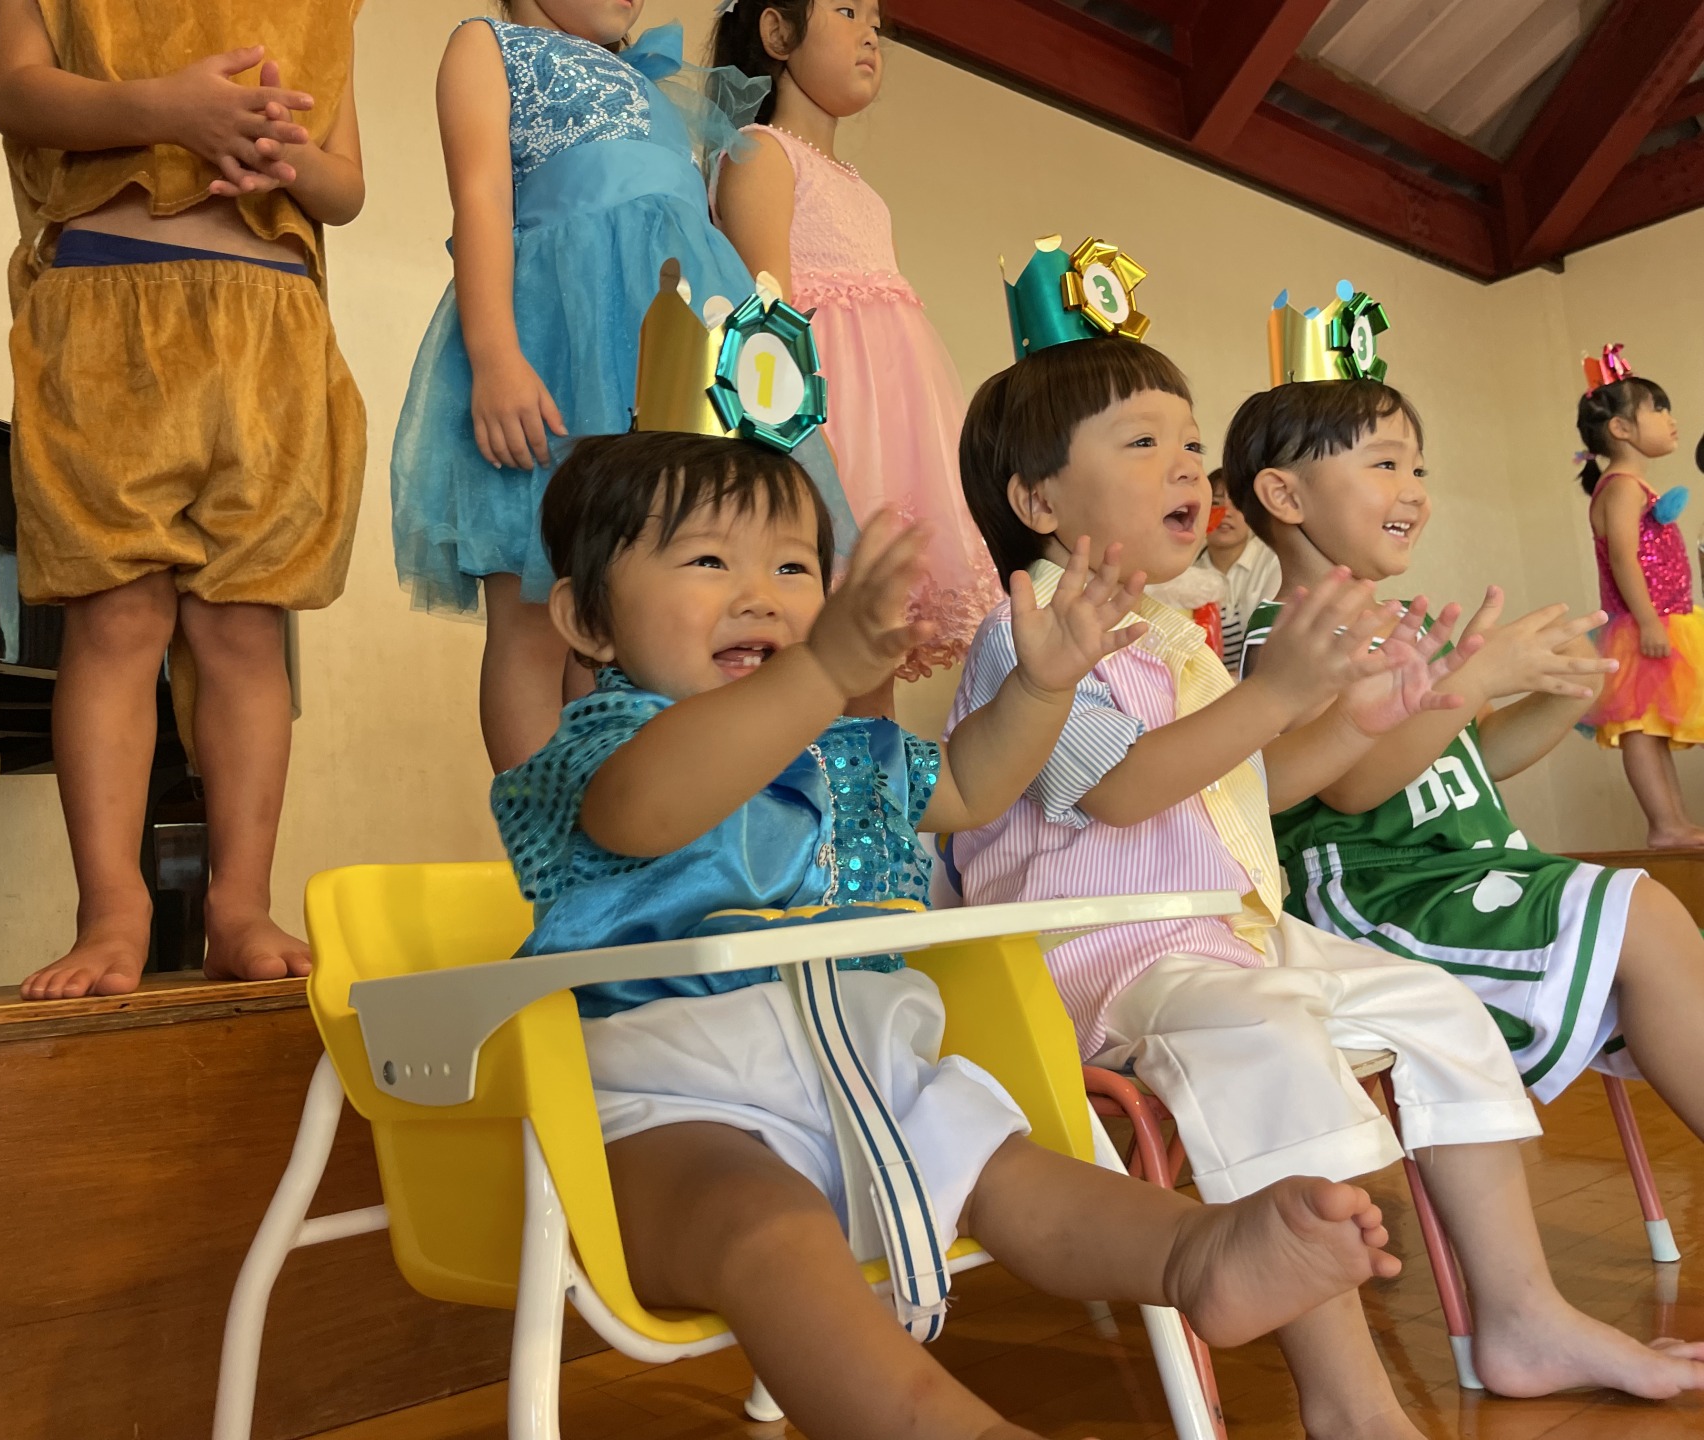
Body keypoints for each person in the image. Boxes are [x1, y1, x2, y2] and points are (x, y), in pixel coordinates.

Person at [496, 422, 1400, 1440]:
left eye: (794, 567)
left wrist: (1042, 687)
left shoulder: (847, 749)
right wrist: (817, 670)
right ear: (589, 620)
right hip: (671, 1109)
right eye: (708, 560)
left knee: (1015, 1170)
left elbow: (970, 783)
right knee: (764, 1226)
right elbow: (652, 808)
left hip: (871, 1080)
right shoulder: (600, 747)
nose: (761, 594)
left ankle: (1196, 1257)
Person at [949, 285, 1704, 1431]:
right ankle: (1346, 1401)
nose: (1186, 468)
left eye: (1192, 443)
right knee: (1268, 1038)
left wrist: (1363, 716)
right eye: (1144, 442)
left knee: (1437, 1008)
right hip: (1098, 949)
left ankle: (1521, 1315)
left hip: (1220, 931)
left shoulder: (1167, 638)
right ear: (1037, 497)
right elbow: (1115, 790)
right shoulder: (1030, 631)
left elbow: (1249, 792)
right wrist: (1290, 695)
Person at [0, 0, 367, 999]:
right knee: (116, 620)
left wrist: (290, 154)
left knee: (246, 631)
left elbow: (346, 185)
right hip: (110, 307)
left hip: (272, 332)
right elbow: (16, 91)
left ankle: (239, 906)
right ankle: (112, 909)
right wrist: (167, 109)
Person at [1227, 368, 1704, 1164]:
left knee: (1652, 931)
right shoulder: (1292, 636)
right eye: (1384, 464)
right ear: (1285, 496)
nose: (1414, 490)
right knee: (1644, 913)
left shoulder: (1408, 626)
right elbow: (1350, 786)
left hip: (1466, 872)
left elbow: (1476, 757)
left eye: (1419, 469)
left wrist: (1568, 691)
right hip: (1374, 893)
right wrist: (1474, 679)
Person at [390, 0, 854, 772]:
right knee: (538, 618)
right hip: (558, 353)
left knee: (651, 613)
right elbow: (479, 200)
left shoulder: (664, 85)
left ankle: (644, 829)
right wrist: (496, 353)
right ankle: (551, 850)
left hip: (676, 365)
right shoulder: (489, 46)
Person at [710, 0, 1000, 701]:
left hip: (892, 438)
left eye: (876, 18)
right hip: (825, 429)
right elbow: (764, 322)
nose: (872, 32)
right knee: (817, 648)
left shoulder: (863, 191)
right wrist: (808, 448)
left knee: (876, 648)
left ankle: (874, 807)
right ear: (778, 33)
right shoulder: (760, 153)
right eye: (846, 10)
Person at [1573, 345, 1704, 845]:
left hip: (1664, 616)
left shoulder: (1632, 485)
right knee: (1639, 727)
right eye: (1658, 409)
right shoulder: (1622, 486)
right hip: (1641, 623)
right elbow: (1626, 559)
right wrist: (1648, 620)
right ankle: (1664, 824)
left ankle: (1676, 819)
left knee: (1653, 727)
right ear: (1622, 429)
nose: (1671, 420)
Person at [1193, 465, 1279, 675]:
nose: (1226, 513)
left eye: (1237, 504)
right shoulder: (1187, 576)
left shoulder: (1274, 561)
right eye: (1215, 503)